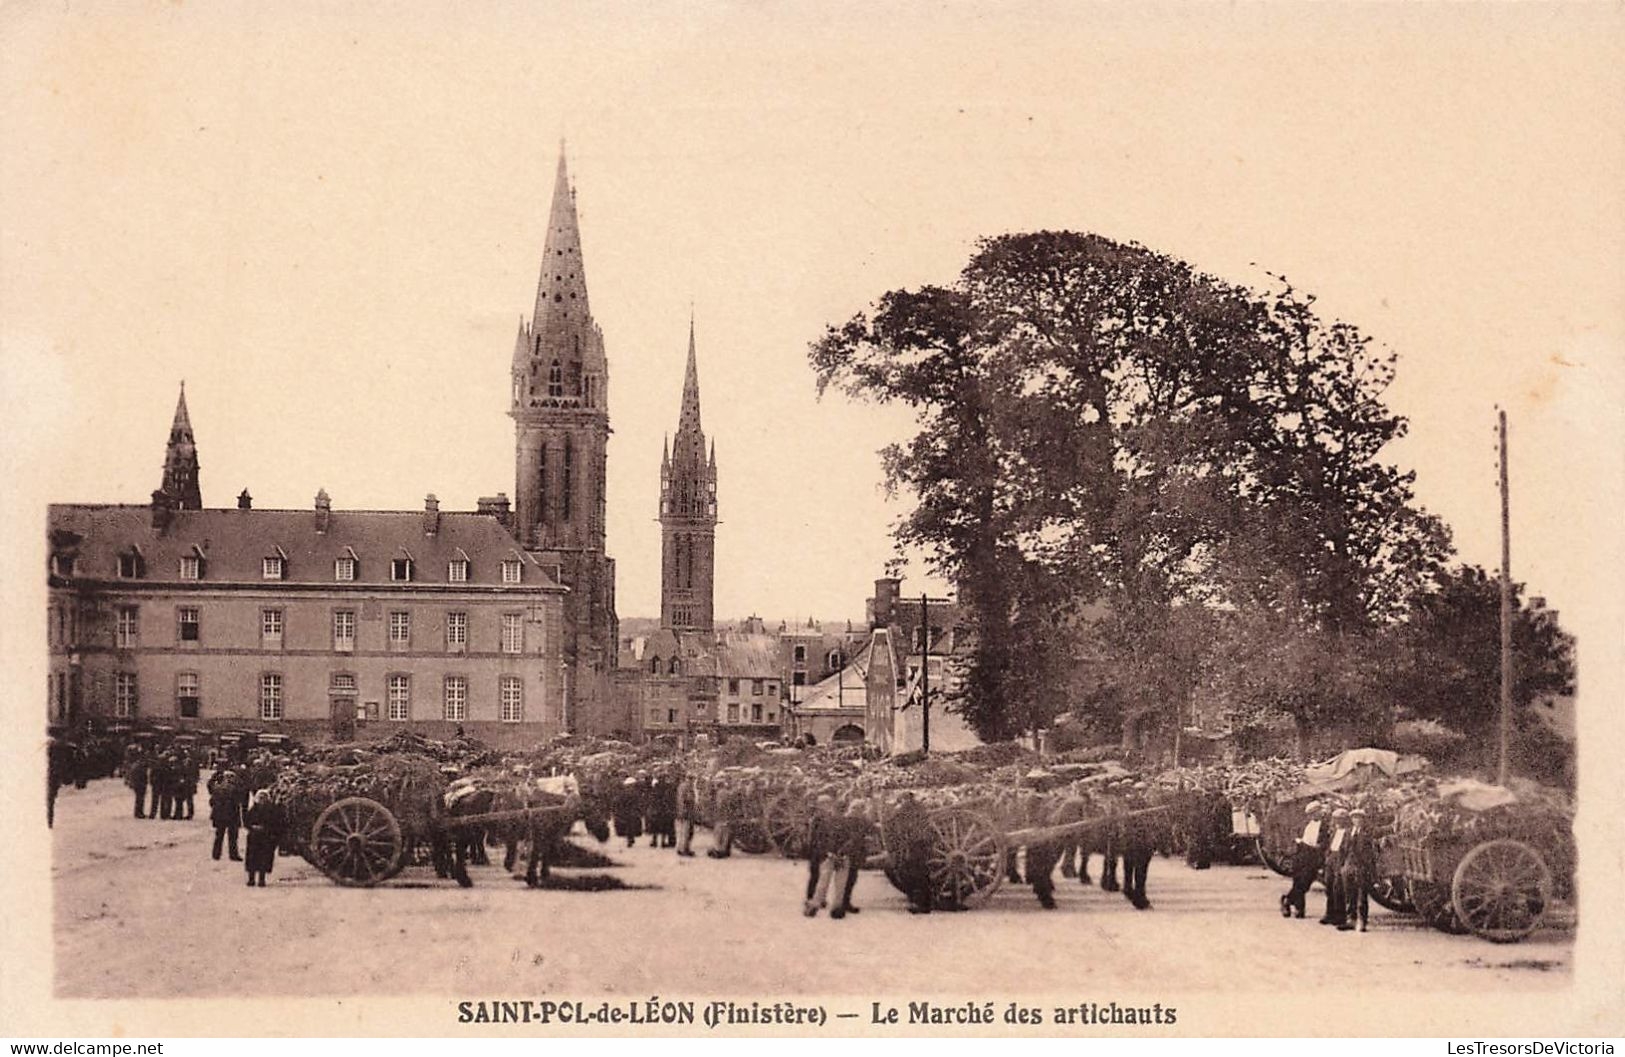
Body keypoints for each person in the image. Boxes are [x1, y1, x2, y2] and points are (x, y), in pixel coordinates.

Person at [887, 792, 936, 914]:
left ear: (907, 799)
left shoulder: (908, 807)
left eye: (903, 799)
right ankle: (923, 903)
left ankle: (921, 904)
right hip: (921, 843)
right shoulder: (919, 807)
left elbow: (894, 819)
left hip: (916, 844)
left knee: (916, 874)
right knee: (921, 875)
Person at [1281, 801, 1329, 918]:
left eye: (1317, 812)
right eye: (1312, 813)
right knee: (1299, 881)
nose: (1315, 815)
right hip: (1302, 855)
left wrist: (1319, 847)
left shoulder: (1325, 825)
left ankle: (1287, 900)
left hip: (1314, 856)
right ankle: (1299, 909)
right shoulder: (1305, 825)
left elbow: (1325, 842)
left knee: (1305, 883)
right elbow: (1296, 838)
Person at [829, 798, 873, 920]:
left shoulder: (861, 820)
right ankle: (840, 905)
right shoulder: (846, 821)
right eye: (859, 809)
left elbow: (869, 829)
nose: (861, 812)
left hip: (855, 853)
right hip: (847, 853)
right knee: (844, 880)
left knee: (851, 879)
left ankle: (845, 903)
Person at [1339, 807, 1378, 932]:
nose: (1357, 820)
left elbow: (1370, 853)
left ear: (1363, 820)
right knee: (1349, 893)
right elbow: (1342, 849)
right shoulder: (1348, 832)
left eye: (1360, 818)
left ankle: (1362, 921)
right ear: (1352, 820)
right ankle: (1351, 919)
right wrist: (1343, 866)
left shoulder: (1367, 833)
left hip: (1361, 867)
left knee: (1362, 895)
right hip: (1348, 865)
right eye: (1355, 818)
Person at [802, 794, 839, 915]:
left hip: (825, 849)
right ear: (819, 806)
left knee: (822, 876)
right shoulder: (816, 819)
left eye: (828, 803)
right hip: (816, 850)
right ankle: (810, 898)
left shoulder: (830, 817)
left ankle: (820, 899)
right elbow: (812, 837)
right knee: (815, 875)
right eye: (824, 804)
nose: (827, 806)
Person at [242, 789, 282, 887]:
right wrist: (252, 827)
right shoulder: (253, 809)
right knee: (252, 859)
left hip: (266, 838)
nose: (262, 800)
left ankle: (261, 880)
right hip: (254, 837)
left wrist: (266, 829)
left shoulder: (272, 810)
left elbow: (276, 823)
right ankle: (251, 879)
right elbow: (246, 821)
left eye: (264, 798)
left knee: (263, 859)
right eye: (260, 798)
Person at [1320, 807, 1351, 926]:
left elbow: (1347, 849)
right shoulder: (1334, 832)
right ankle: (1329, 913)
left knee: (1338, 888)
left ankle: (1340, 916)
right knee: (1329, 886)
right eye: (1336, 819)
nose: (1337, 822)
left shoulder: (1348, 833)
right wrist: (1327, 857)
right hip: (1332, 859)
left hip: (1340, 859)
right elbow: (1330, 846)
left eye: (1340, 819)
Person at [208, 767, 245, 861]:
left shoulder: (217, 787)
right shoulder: (236, 788)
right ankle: (233, 854)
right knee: (232, 836)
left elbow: (211, 800)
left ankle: (216, 854)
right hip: (232, 815)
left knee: (219, 835)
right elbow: (241, 798)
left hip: (220, 815)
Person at [613, 776, 644, 849]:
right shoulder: (635, 793)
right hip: (631, 812)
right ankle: (630, 838)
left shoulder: (625, 793)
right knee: (630, 826)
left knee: (629, 826)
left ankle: (630, 838)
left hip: (628, 812)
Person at [674, 772, 698, 857]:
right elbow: (682, 800)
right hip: (686, 813)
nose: (693, 781)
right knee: (685, 832)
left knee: (688, 832)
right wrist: (682, 811)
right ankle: (683, 849)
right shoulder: (685, 787)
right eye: (692, 779)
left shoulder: (688, 787)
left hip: (688, 812)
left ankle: (685, 848)